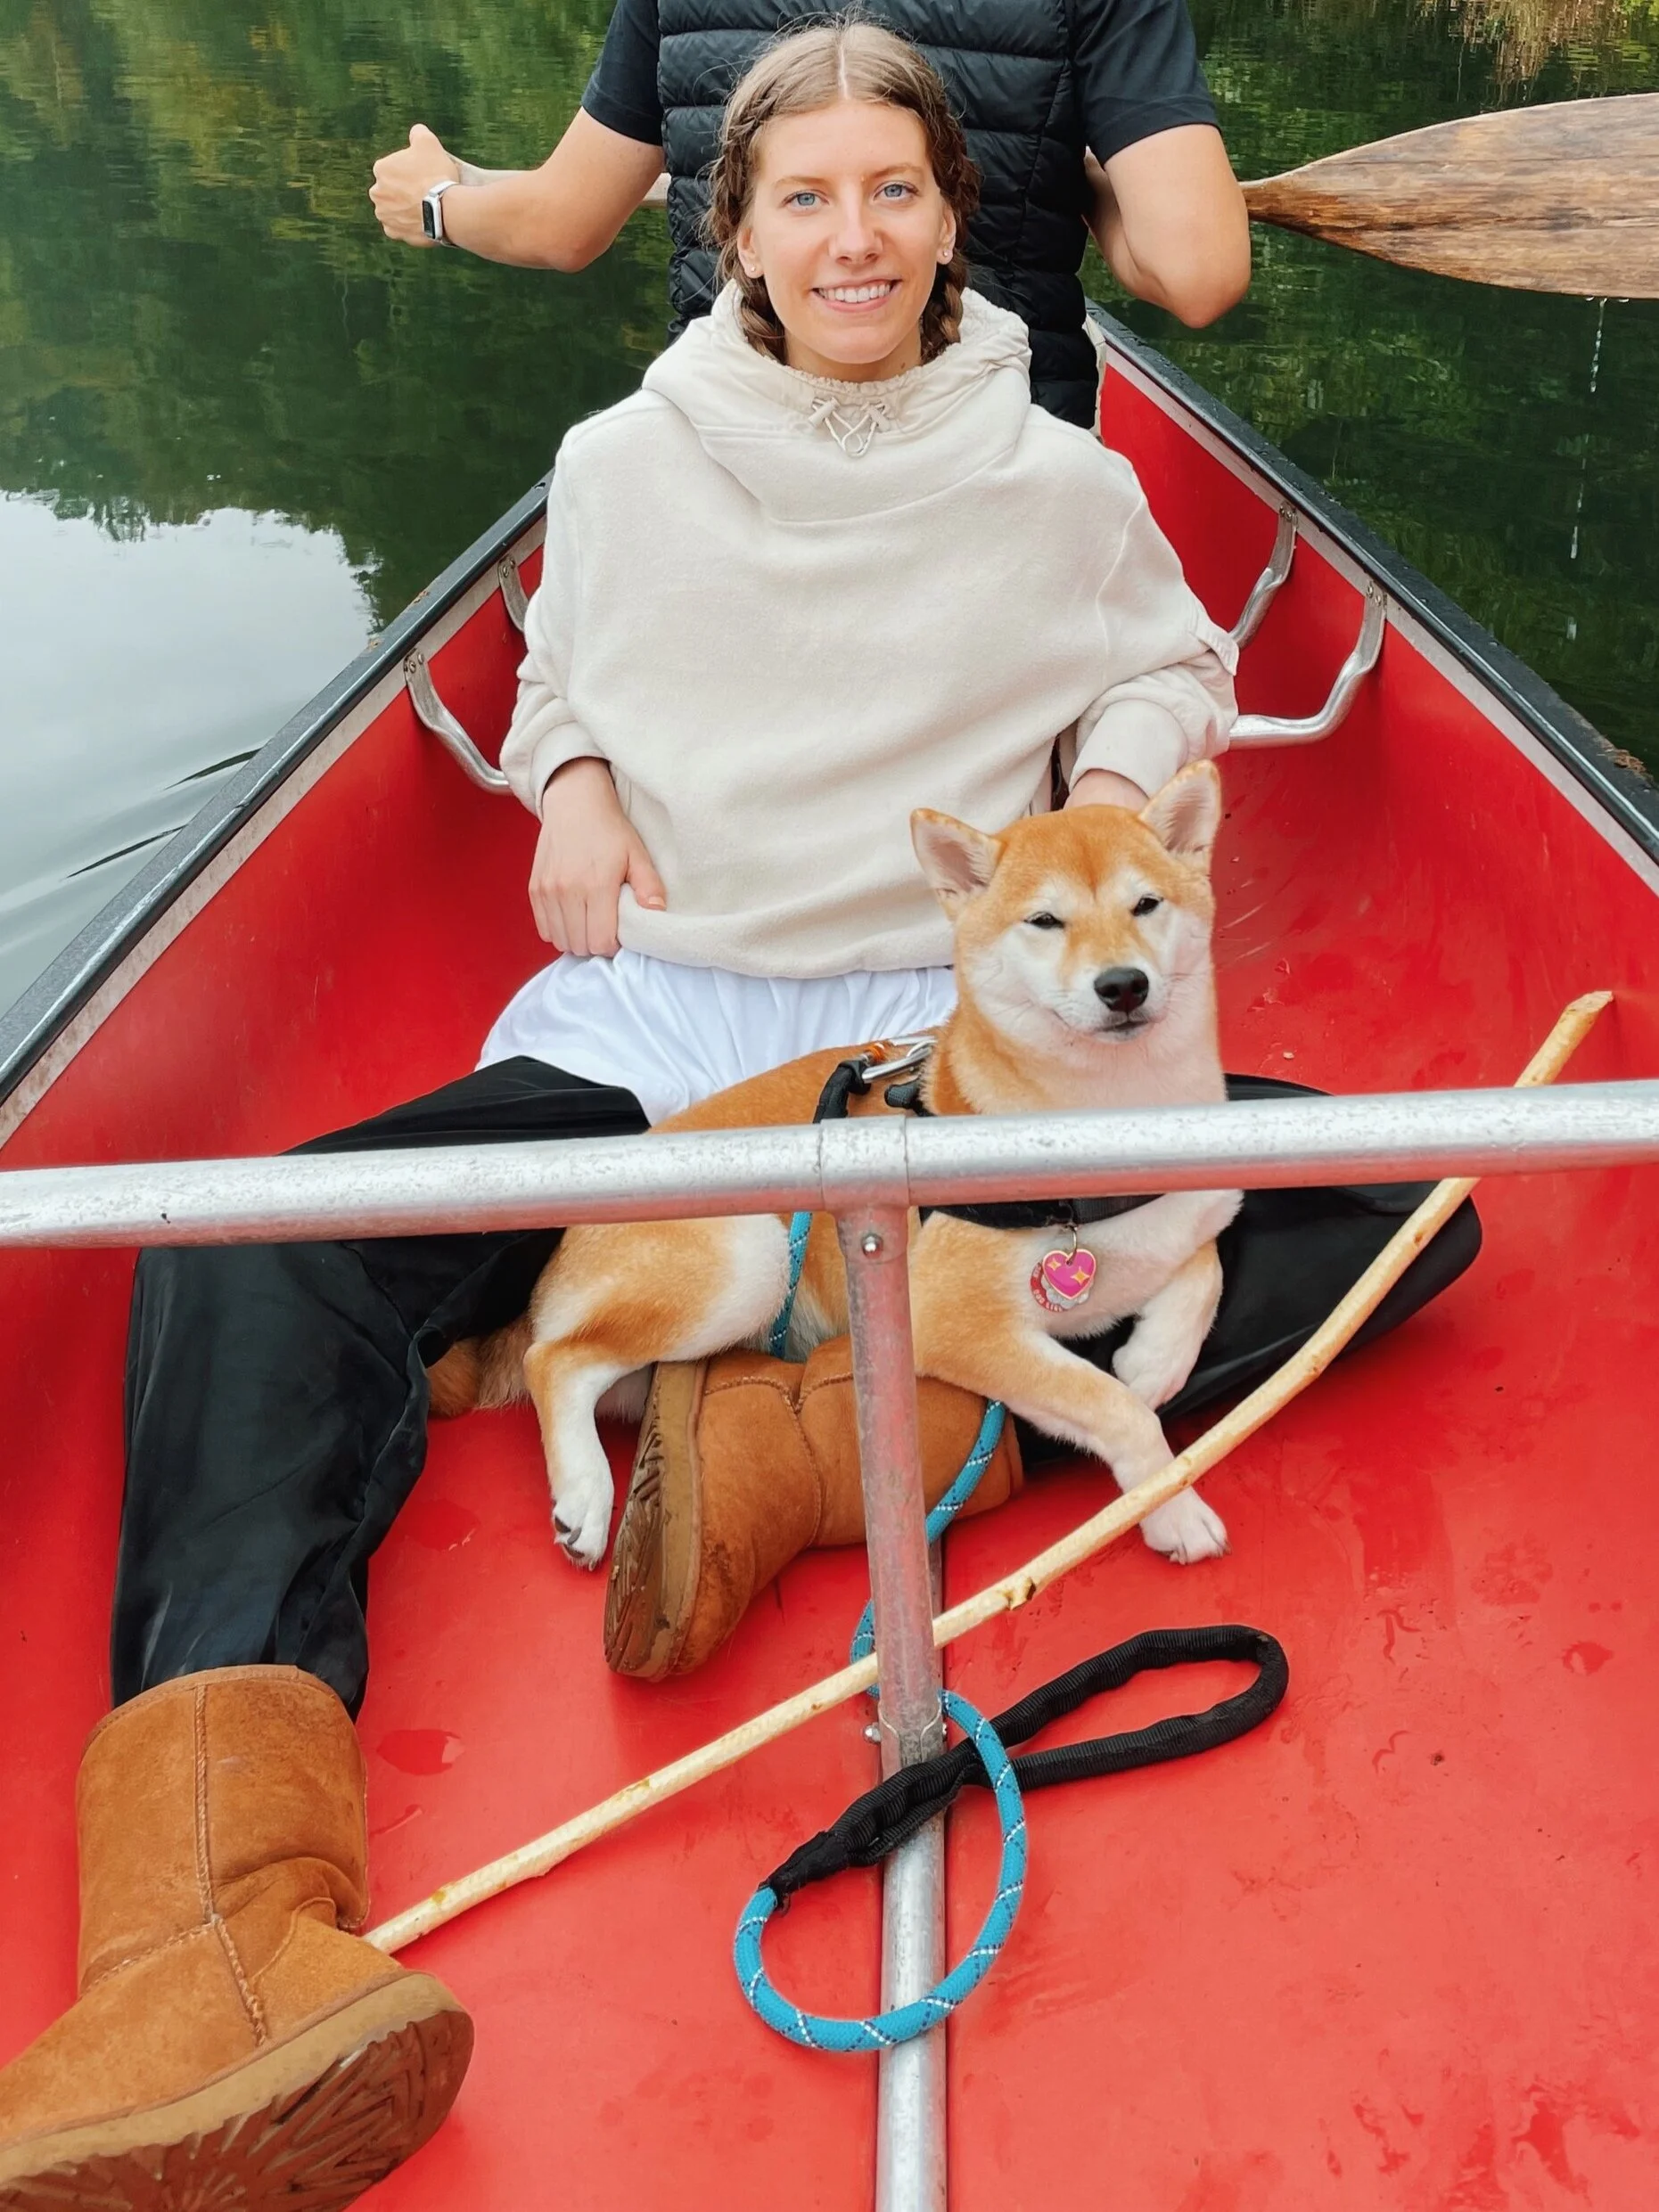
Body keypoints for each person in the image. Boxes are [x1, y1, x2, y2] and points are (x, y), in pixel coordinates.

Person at [0, 29, 1474, 2211]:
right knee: (252, 1247)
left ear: (955, 222)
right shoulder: (619, 462)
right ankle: (206, 1937)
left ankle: (781, 1427)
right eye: (803, 201)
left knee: (1404, 1204)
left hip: (945, 1045)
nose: (850, 239)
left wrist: (1098, 788)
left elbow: (1166, 664)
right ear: (736, 235)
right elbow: (557, 680)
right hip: (666, 1029)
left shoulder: (1059, 478)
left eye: (894, 194)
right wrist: (574, 780)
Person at [368, 0, 1251, 426]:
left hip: (733, 444)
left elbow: (559, 227)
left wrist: (439, 203)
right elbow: (1194, 272)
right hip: (1000, 448)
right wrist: (1071, 173)